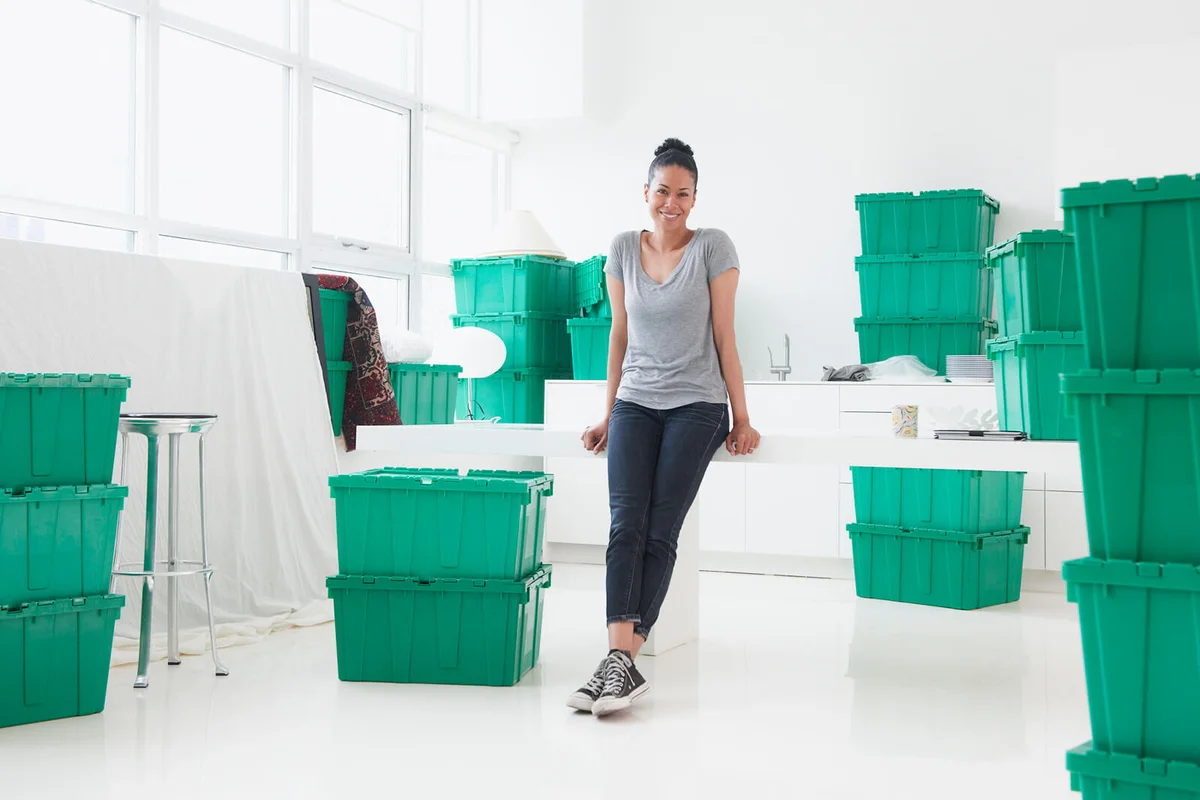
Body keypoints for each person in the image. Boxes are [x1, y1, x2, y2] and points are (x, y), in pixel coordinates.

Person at [567, 137, 761, 717]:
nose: (670, 203)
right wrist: (608, 411)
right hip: (635, 403)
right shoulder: (624, 248)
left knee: (659, 530)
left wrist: (742, 416)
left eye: (682, 193)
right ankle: (619, 661)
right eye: (661, 192)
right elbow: (618, 337)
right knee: (625, 524)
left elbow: (726, 335)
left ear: (695, 198)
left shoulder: (713, 248)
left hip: (697, 406)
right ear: (645, 194)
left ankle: (620, 662)